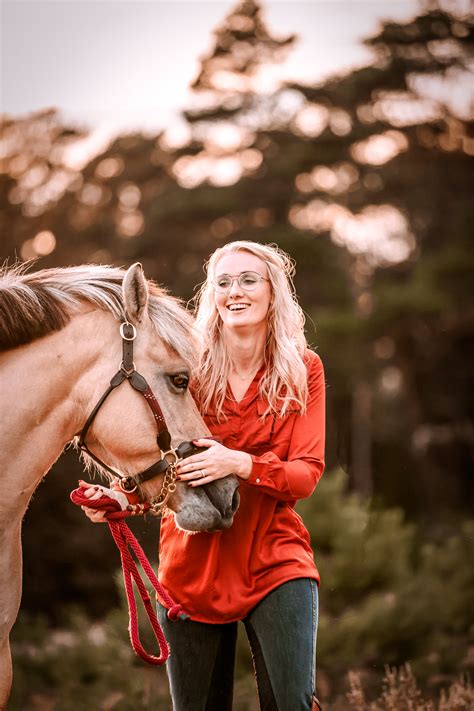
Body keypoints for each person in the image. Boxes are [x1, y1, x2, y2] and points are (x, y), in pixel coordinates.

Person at [82, 241, 325, 711]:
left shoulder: (302, 368)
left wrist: (239, 463)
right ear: (211, 294)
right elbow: (162, 458)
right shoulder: (187, 369)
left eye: (249, 279)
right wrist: (122, 499)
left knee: (294, 704)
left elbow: (306, 475)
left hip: (274, 558)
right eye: (224, 282)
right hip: (190, 568)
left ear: (273, 292)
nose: (236, 291)